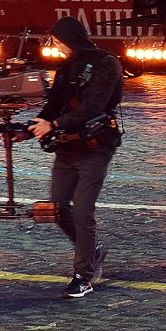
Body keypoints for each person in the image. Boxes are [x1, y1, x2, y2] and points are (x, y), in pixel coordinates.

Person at [27, 17, 122, 298]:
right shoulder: (66, 67)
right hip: (67, 147)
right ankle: (92, 252)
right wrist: (32, 125)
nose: (55, 48)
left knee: (82, 211)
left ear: (71, 39)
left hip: (94, 146)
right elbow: (55, 103)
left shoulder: (107, 63)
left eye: (58, 42)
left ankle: (83, 274)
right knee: (57, 208)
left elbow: (94, 106)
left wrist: (54, 125)